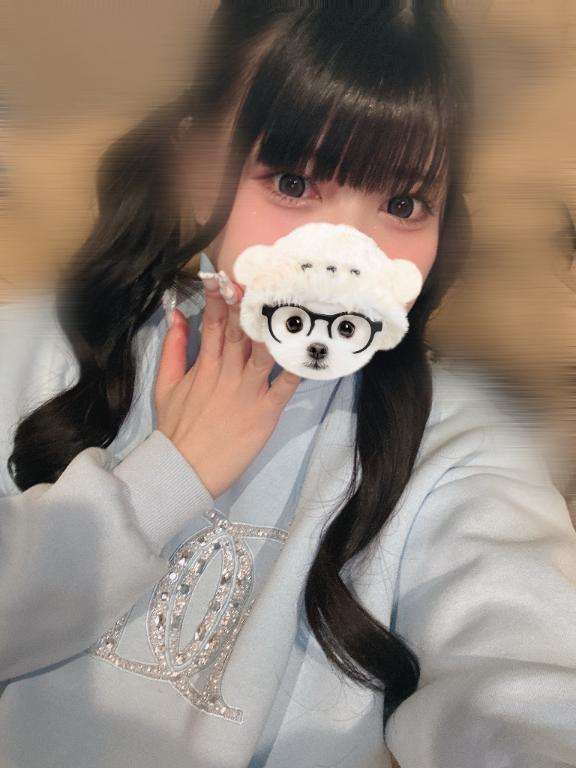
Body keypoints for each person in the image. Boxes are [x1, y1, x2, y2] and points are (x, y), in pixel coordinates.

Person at [1, 2, 576, 767]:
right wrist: (170, 475)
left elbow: (521, 681)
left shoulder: (459, 445)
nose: (345, 255)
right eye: (295, 181)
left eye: (403, 204)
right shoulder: (36, 348)